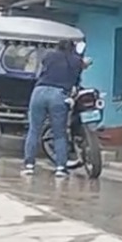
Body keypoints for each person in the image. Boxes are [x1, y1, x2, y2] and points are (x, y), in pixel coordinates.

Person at [22, 39, 91, 177]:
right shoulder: (76, 60)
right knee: (59, 133)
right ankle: (60, 168)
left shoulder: (49, 56)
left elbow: (44, 66)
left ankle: (29, 166)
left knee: (34, 130)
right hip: (59, 94)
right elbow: (84, 65)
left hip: (39, 92)